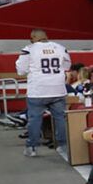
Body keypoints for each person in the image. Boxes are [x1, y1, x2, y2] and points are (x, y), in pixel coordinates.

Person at [16, 29, 70, 157]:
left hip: (38, 90)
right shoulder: (60, 48)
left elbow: (21, 70)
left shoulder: (29, 49)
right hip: (58, 89)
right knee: (60, 118)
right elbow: (67, 66)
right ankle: (63, 146)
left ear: (34, 37)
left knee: (35, 119)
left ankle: (32, 147)